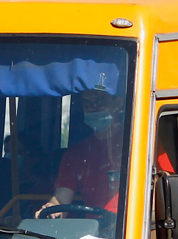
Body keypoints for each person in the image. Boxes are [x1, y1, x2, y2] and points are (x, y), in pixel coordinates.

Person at [37, 88, 126, 218]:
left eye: (100, 101)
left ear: (118, 104)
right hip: (94, 233)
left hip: (130, 230)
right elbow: (62, 197)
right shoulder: (76, 153)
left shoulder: (139, 145)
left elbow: (161, 192)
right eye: (87, 102)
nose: (92, 108)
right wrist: (53, 207)